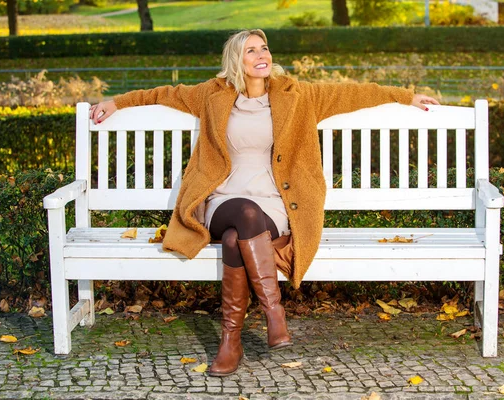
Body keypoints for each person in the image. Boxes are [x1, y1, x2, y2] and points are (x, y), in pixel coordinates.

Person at [89, 29, 440, 377]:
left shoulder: (297, 95)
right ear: (236, 62)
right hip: (222, 200)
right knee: (242, 212)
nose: (262, 56)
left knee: (234, 238)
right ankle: (274, 313)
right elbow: (164, 94)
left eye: (265, 49)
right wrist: (116, 103)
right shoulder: (211, 94)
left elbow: (353, 93)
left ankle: (231, 340)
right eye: (251, 51)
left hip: (273, 205)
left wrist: (405, 96)